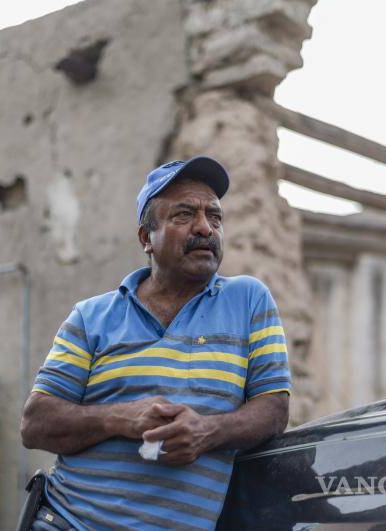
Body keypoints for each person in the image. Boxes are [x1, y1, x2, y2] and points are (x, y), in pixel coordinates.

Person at [20, 156, 291, 530]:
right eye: (184, 215)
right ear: (147, 238)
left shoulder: (248, 301)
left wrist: (207, 432)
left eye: (215, 217)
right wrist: (121, 418)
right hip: (68, 522)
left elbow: (274, 409)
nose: (205, 228)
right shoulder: (92, 316)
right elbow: (35, 424)